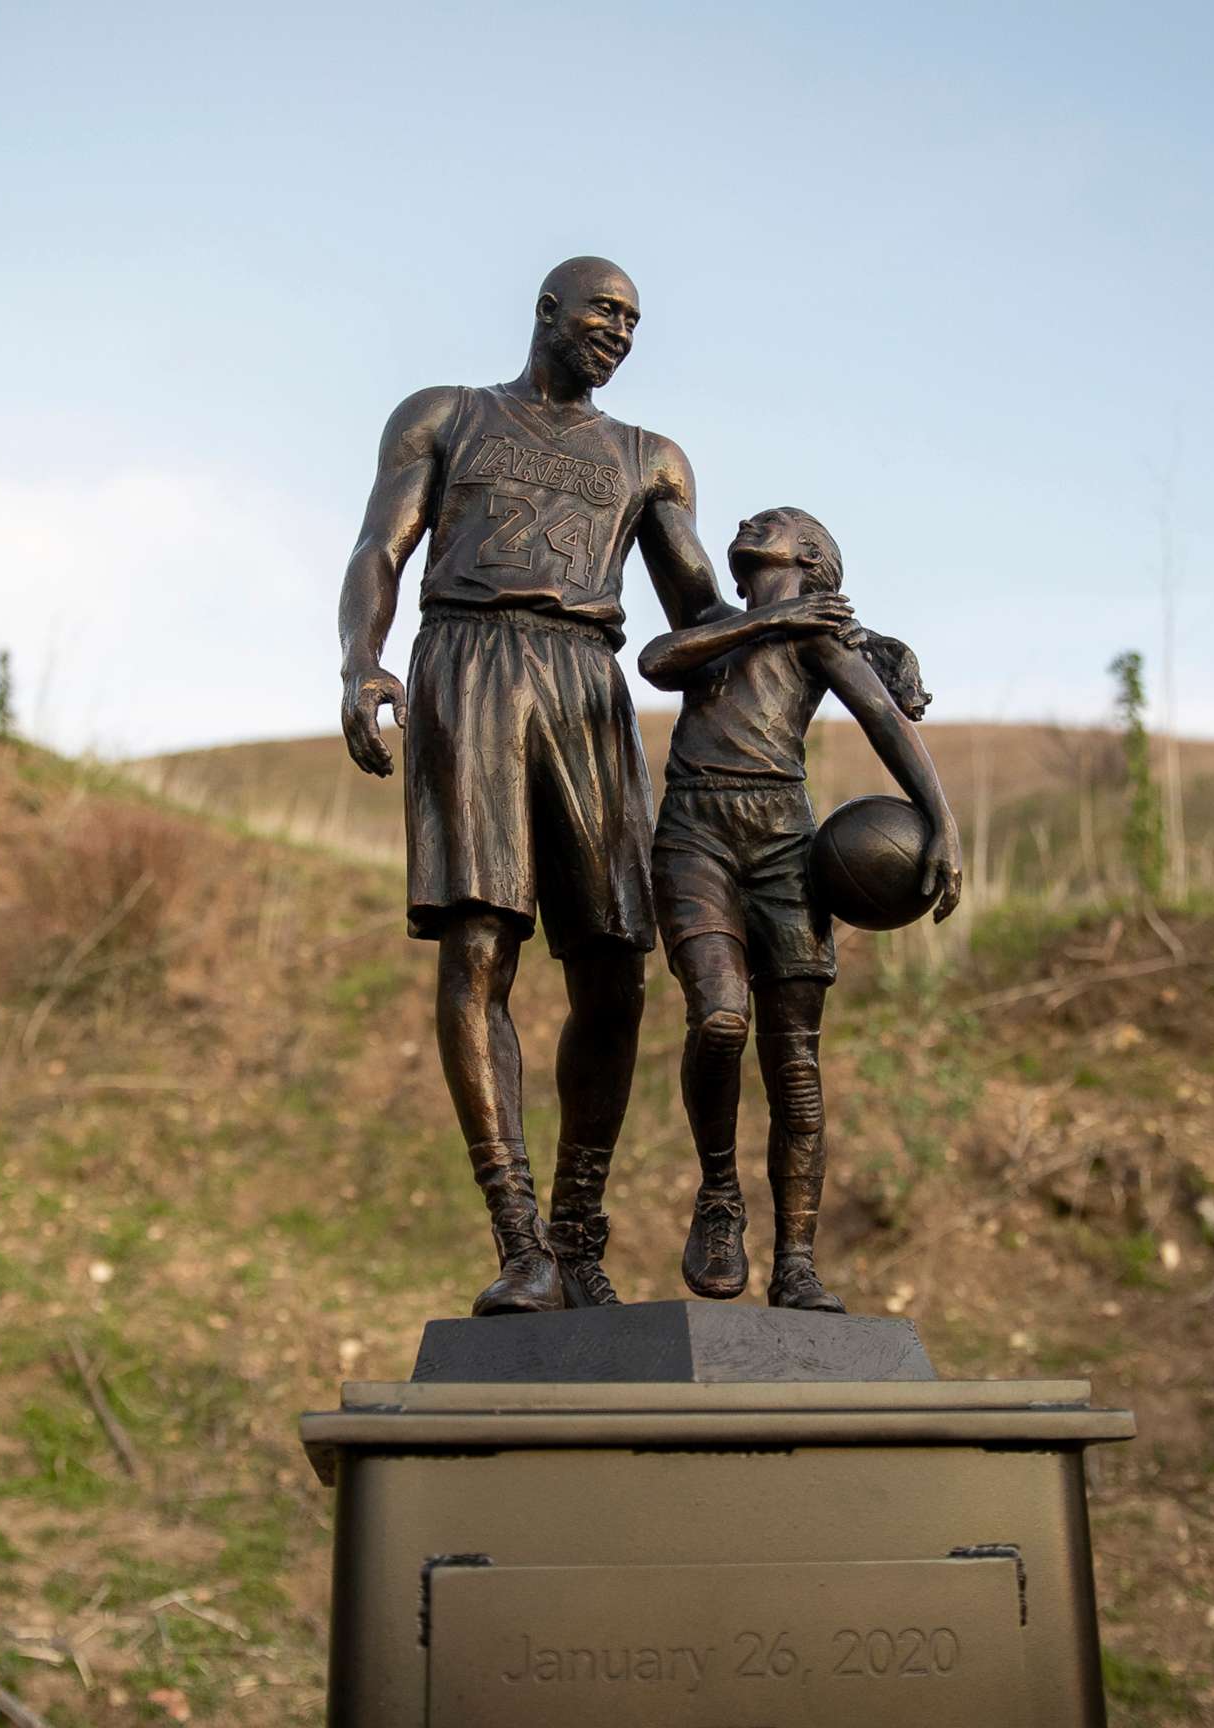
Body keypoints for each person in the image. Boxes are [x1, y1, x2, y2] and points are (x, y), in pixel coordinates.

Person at [335, 258, 732, 1315]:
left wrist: (817, 626)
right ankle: (519, 1239)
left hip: (587, 683)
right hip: (469, 660)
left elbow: (702, 613)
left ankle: (577, 1231)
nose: (621, 331)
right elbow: (381, 544)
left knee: (615, 966)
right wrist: (360, 659)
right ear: (548, 311)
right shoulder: (446, 415)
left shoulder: (651, 461)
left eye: (636, 320)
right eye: (604, 310)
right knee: (481, 945)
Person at [636, 508, 961, 1312]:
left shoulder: (818, 639)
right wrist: (773, 617)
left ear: (811, 556)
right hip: (695, 833)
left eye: (772, 521)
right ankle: (719, 1194)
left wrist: (943, 823)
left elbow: (883, 717)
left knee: (798, 1074)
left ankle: (798, 1261)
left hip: (783, 843)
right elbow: (655, 660)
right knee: (718, 1017)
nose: (749, 519)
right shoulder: (715, 624)